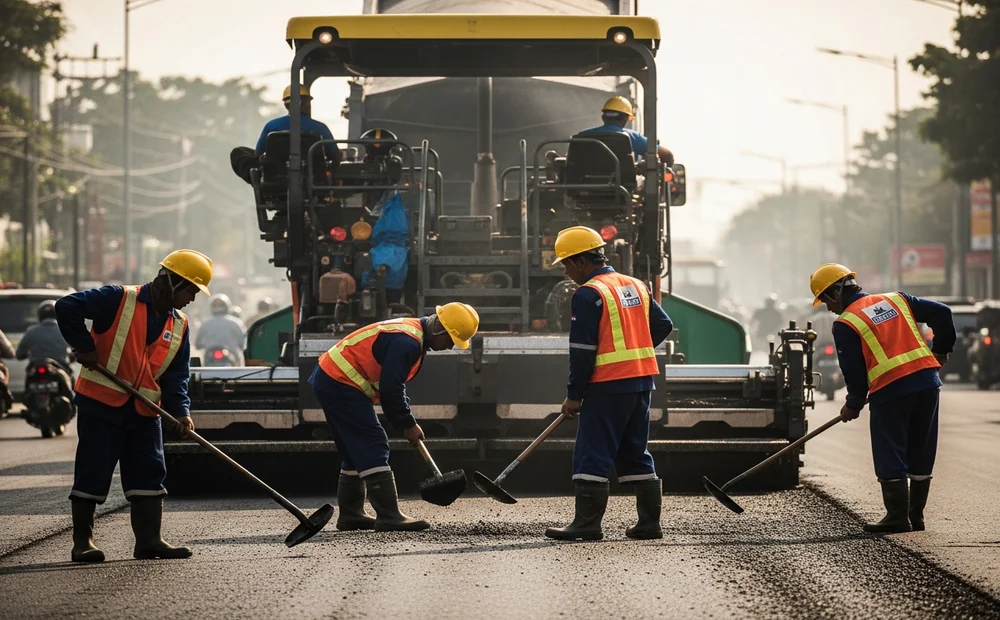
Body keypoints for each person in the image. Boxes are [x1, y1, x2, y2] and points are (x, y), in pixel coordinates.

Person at [55, 249, 213, 563]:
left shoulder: (179, 324)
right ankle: (82, 543)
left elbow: (177, 375)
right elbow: (66, 306)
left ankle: (149, 541)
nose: (193, 299)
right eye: (192, 290)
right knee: (93, 470)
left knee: (150, 472)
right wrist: (84, 346)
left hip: (145, 411)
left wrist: (181, 412)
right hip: (101, 404)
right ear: (174, 282)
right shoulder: (118, 298)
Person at [545, 226, 674, 542]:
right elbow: (664, 325)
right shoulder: (636, 285)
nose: (566, 272)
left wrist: (574, 395)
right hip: (641, 381)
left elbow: (582, 351)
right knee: (635, 450)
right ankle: (649, 524)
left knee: (593, 450)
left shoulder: (589, 294)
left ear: (580, 261)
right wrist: (635, 347)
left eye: (566, 264)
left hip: (608, 384)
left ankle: (586, 525)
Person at [810, 263, 954, 534]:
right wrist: (941, 351)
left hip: (891, 390)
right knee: (921, 449)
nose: (828, 308)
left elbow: (854, 371)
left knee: (891, 450)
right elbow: (942, 313)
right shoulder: (897, 299)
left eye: (825, 301)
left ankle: (898, 516)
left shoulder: (846, 323)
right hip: (927, 383)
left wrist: (853, 404)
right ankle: (915, 516)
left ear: (835, 293)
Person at [309, 302, 480, 532]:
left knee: (355, 450)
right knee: (373, 443)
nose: (450, 346)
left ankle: (351, 514)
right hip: (340, 382)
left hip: (332, 379)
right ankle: (389, 515)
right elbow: (391, 389)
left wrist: (407, 420)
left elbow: (394, 385)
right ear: (439, 329)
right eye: (450, 340)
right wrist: (407, 423)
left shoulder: (413, 336)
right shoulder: (408, 343)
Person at [230, 85, 340, 184]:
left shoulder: (272, 126)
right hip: (314, 180)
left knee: (238, 152)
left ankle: (259, 182)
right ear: (305, 103)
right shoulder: (320, 128)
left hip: (275, 180)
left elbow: (258, 154)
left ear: (286, 105)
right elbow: (335, 155)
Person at [579, 96, 674, 165]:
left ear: (603, 117)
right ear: (626, 118)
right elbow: (667, 155)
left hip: (584, 185)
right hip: (622, 186)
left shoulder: (582, 136)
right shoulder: (632, 137)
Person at [15, 300, 74, 398]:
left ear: (40, 315)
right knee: (71, 390)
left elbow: (19, 354)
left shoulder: (31, 330)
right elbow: (76, 349)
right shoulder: (65, 329)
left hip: (35, 366)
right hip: (61, 366)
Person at [194, 294, 247, 365]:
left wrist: (202, 345)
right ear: (227, 306)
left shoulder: (205, 323)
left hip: (209, 358)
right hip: (232, 358)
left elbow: (197, 344)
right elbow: (243, 342)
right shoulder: (236, 322)